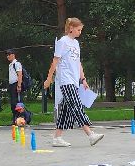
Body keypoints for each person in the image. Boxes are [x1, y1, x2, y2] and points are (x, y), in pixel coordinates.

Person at [42, 17, 103, 147]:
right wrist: (49, 78)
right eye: (78, 29)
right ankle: (90, 134)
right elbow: (55, 61)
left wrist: (83, 79)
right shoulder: (63, 42)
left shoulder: (76, 43)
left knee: (66, 110)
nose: (80, 32)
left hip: (74, 81)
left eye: (81, 30)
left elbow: (78, 63)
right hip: (65, 80)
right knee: (76, 105)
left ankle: (57, 138)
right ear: (71, 28)